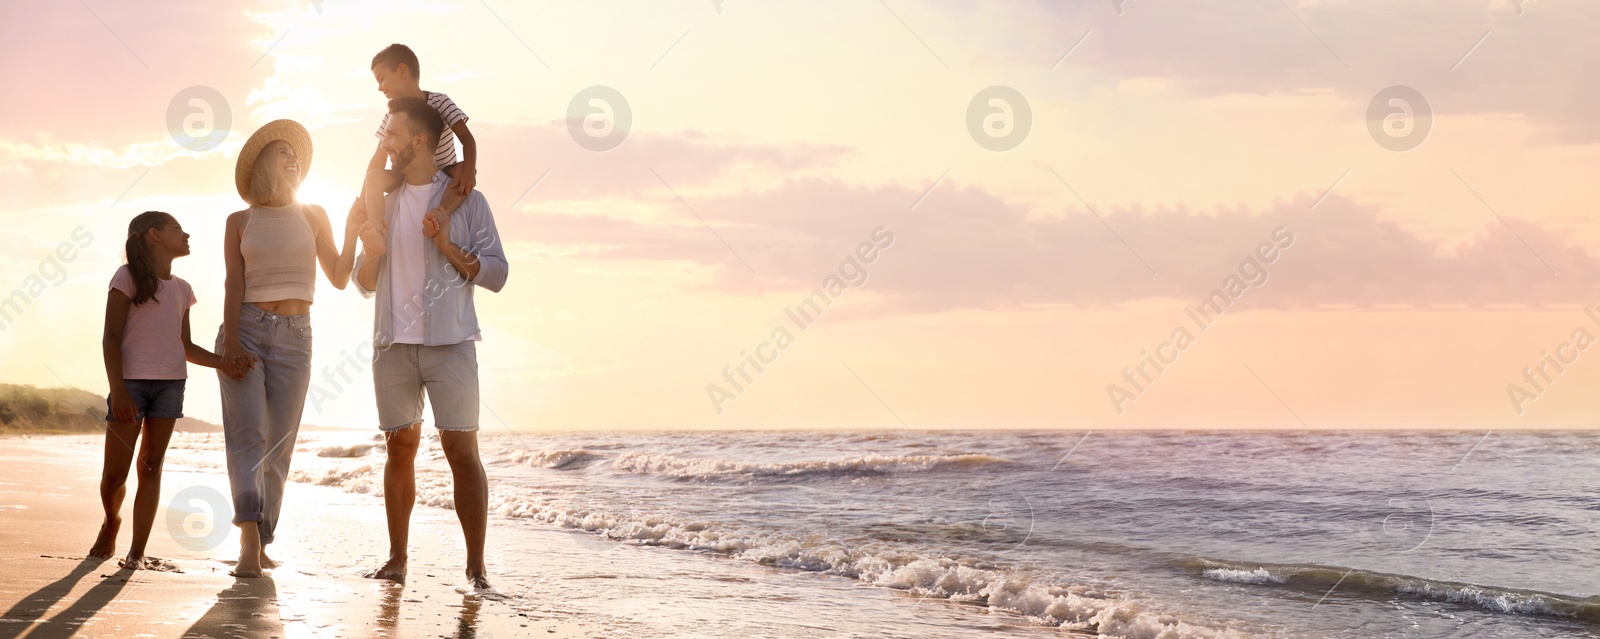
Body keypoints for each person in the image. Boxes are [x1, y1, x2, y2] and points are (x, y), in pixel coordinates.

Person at [351, 96, 508, 590]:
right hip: (392, 346)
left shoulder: (467, 200)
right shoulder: (381, 201)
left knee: (462, 451)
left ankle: (476, 567)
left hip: (452, 345)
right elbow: (363, 282)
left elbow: (498, 274)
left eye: (391, 135)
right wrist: (370, 254)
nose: (384, 145)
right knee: (400, 450)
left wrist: (447, 246)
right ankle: (397, 559)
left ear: (419, 140)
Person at [216, 119, 362, 577]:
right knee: (249, 436)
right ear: (264, 162)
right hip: (246, 330)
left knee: (278, 444)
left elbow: (339, 277)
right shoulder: (239, 221)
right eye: (283, 151)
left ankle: (263, 538)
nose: (293, 158)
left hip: (297, 335)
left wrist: (354, 229)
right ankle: (246, 541)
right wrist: (233, 342)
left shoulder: (313, 213)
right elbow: (233, 283)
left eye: (295, 153)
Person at [91, 211, 235, 569]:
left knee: (151, 467)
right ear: (153, 235)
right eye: (177, 229)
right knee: (115, 476)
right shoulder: (126, 278)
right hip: (131, 385)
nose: (186, 235)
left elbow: (184, 345)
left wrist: (224, 362)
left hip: (171, 385)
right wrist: (119, 390)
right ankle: (112, 521)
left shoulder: (183, 289)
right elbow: (110, 337)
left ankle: (137, 552)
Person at [361, 43, 477, 229]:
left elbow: (467, 140)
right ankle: (376, 228)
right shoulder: (391, 115)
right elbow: (379, 158)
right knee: (373, 177)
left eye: (381, 79)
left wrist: (470, 171)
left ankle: (440, 214)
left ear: (402, 70)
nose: (380, 88)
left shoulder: (440, 102)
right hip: (405, 176)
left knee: (464, 168)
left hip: (443, 172)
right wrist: (362, 201)